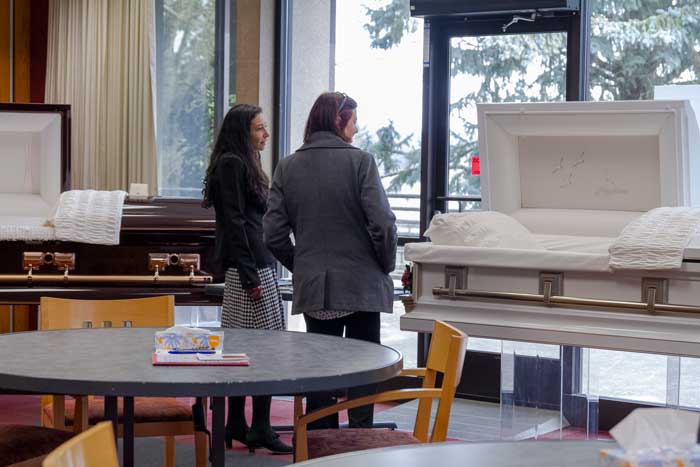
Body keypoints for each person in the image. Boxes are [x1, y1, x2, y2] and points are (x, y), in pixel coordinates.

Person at [263, 91, 398, 429]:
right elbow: (382, 223)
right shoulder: (361, 161)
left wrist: (303, 265)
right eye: (353, 122)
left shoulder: (287, 166)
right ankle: (359, 442)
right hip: (361, 283)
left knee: (319, 370)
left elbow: (273, 235)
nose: (355, 129)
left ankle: (320, 443)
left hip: (315, 287)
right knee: (363, 367)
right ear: (339, 121)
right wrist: (384, 264)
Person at [201, 103, 292, 454]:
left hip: (253, 266)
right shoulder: (232, 164)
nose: (266, 134)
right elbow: (235, 223)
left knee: (244, 349)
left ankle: (238, 423)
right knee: (266, 349)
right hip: (249, 269)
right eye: (259, 128)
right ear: (243, 131)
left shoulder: (241, 161)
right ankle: (259, 428)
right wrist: (252, 276)